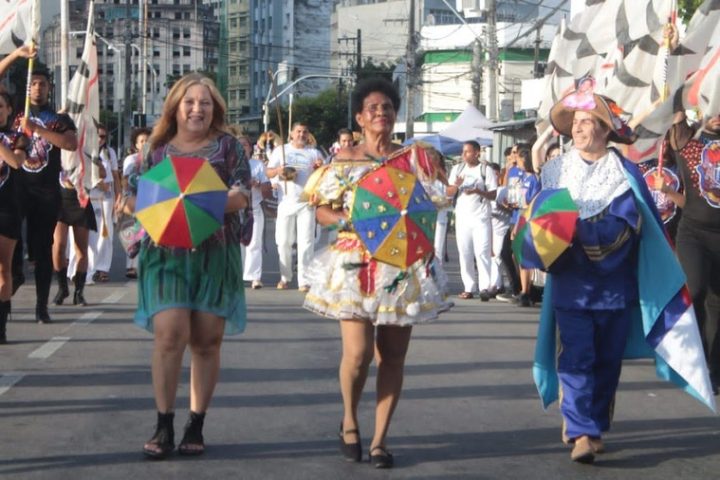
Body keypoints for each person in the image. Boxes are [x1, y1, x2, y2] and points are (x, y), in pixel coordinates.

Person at [535, 85, 702, 464]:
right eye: (575, 123)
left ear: (605, 130)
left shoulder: (624, 174)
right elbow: (538, 218)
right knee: (577, 356)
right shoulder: (554, 170)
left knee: (606, 360)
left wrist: (575, 232)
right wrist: (541, 239)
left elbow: (624, 229)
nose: (578, 129)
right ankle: (581, 429)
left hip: (612, 286)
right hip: (570, 285)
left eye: (586, 122)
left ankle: (591, 423)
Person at [303, 78, 450, 469]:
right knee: (358, 354)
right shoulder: (344, 161)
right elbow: (320, 209)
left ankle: (380, 440)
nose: (381, 114)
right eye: (372, 108)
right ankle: (349, 420)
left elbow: (429, 204)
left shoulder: (415, 160)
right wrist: (345, 219)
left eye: (387, 107)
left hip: (402, 265)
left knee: (393, 357)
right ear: (359, 118)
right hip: (356, 264)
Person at [124, 73, 251, 459]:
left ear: (215, 109)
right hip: (166, 253)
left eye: (206, 102)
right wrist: (138, 205)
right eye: (190, 102)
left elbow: (243, 193)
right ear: (176, 108)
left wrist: (199, 201)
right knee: (168, 335)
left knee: (207, 342)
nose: (198, 109)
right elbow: (135, 198)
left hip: (215, 253)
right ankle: (164, 422)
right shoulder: (157, 151)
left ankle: (196, 422)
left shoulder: (229, 147)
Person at [7, 49, 78, 323]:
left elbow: (70, 143)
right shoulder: (13, 111)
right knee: (11, 246)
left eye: (42, 84)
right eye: (33, 83)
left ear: (49, 88)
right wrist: (16, 55)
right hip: (15, 190)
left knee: (43, 250)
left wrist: (36, 129)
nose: (37, 88)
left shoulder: (57, 119)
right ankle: (8, 291)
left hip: (46, 192)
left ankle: (41, 306)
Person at [668, 108, 720, 393]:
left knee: (717, 303)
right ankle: (694, 358)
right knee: (696, 290)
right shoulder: (689, 141)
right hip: (694, 233)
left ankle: (715, 369)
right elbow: (676, 114)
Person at [265, 121, 324, 291]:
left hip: (306, 202)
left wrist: (320, 168)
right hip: (285, 201)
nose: (301, 135)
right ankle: (285, 276)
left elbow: (324, 174)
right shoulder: (280, 151)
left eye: (305, 132)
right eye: (298, 131)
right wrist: (278, 171)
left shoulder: (314, 153)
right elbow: (267, 171)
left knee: (306, 243)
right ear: (291, 133)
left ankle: (304, 280)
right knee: (283, 242)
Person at [446, 140, 498, 300]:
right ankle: (469, 287)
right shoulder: (457, 169)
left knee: (482, 252)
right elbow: (449, 192)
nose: (464, 155)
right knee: (465, 252)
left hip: (481, 217)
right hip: (463, 217)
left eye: (468, 151)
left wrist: (478, 191)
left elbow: (494, 194)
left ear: (477, 153)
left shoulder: (485, 170)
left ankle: (484, 287)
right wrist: (456, 185)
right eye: (463, 152)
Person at [0, 91, 29, 344]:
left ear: (9, 110)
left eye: (0, 106)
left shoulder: (17, 138)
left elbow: (15, 162)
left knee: (3, 269)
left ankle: (1, 323)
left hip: (7, 209)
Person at [84, 125, 120, 283]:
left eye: (103, 137)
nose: (100, 139)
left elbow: (115, 176)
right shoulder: (84, 151)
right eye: (97, 136)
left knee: (107, 233)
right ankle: (89, 267)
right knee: (92, 233)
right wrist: (97, 183)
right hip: (90, 195)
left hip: (106, 196)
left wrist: (118, 195)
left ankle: (103, 267)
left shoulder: (109, 153)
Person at [120, 127, 152, 279]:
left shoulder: (155, 158)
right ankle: (130, 266)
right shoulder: (131, 160)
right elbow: (126, 180)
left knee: (147, 234)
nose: (145, 143)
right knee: (134, 232)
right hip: (134, 198)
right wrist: (124, 198)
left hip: (150, 198)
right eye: (142, 141)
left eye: (147, 140)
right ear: (136, 144)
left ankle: (144, 265)